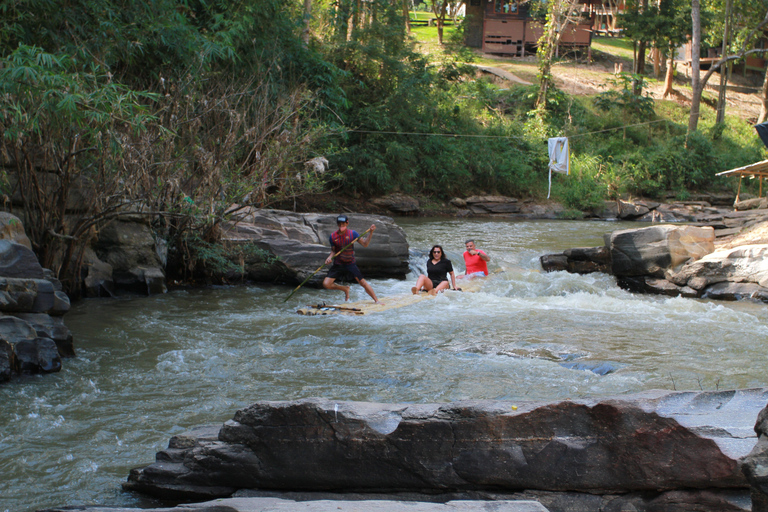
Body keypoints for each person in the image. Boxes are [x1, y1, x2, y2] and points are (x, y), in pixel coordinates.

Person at [322, 215, 381, 304]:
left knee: (363, 283)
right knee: (326, 284)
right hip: (338, 264)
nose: (341, 225)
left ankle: (376, 301)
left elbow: (365, 244)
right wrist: (329, 258)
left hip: (350, 263)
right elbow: (333, 251)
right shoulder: (333, 236)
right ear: (337, 224)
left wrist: (371, 232)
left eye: (343, 223)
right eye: (340, 224)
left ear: (347, 223)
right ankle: (345, 289)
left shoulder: (353, 234)